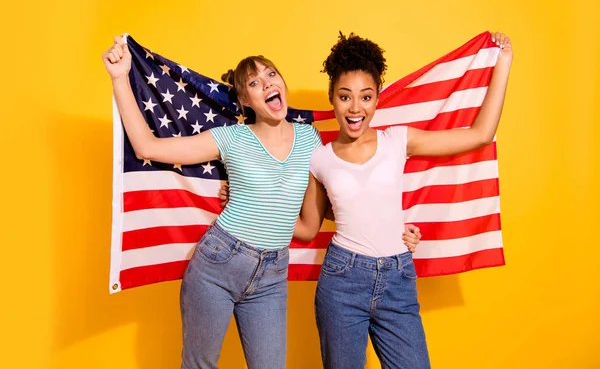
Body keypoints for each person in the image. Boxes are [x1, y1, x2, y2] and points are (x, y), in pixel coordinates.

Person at [102, 35, 422, 369]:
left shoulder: (310, 140)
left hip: (271, 275)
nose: (267, 82)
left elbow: (334, 206)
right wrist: (120, 77)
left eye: (271, 74)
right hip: (219, 264)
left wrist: (392, 230)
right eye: (254, 82)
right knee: (200, 365)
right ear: (245, 99)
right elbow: (146, 147)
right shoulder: (232, 138)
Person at [294, 31, 513, 369]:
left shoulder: (397, 140)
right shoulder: (319, 159)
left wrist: (503, 63)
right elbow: (310, 226)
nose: (355, 108)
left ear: (378, 98)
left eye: (366, 97)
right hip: (342, 282)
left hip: (397, 279)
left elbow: (479, 135)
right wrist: (248, 200)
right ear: (332, 98)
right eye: (345, 96)